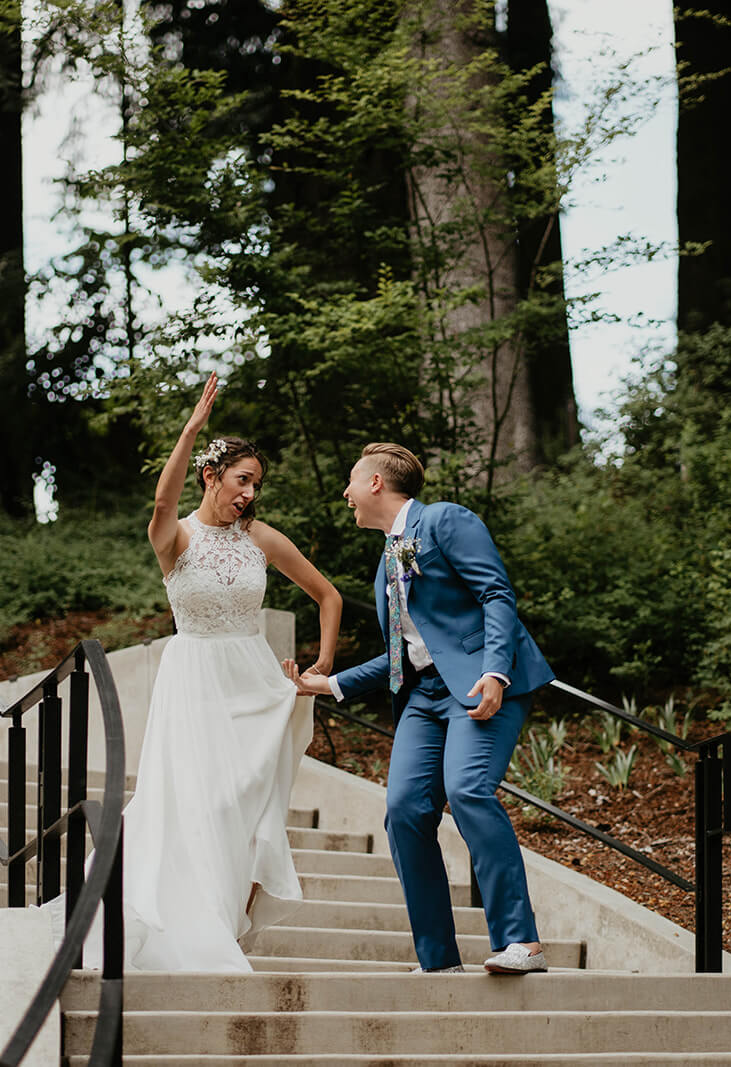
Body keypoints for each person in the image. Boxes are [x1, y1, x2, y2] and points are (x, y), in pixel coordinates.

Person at [288, 442, 553, 974]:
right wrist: (329, 684)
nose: (346, 493)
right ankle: (438, 960)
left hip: (479, 684)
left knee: (467, 789)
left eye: (352, 481)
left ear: (378, 484)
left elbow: (496, 594)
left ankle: (521, 941)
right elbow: (402, 653)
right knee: (405, 810)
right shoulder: (389, 555)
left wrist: (495, 670)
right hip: (422, 698)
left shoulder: (445, 521)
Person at [115, 372, 342, 971]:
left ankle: (228, 921)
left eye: (256, 484)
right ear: (211, 476)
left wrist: (320, 666)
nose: (249, 493)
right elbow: (163, 503)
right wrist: (192, 429)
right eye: (242, 479)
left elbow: (328, 596)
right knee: (197, 804)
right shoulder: (176, 537)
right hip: (192, 680)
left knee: (247, 812)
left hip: (256, 683)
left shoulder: (260, 537)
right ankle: (200, 922)